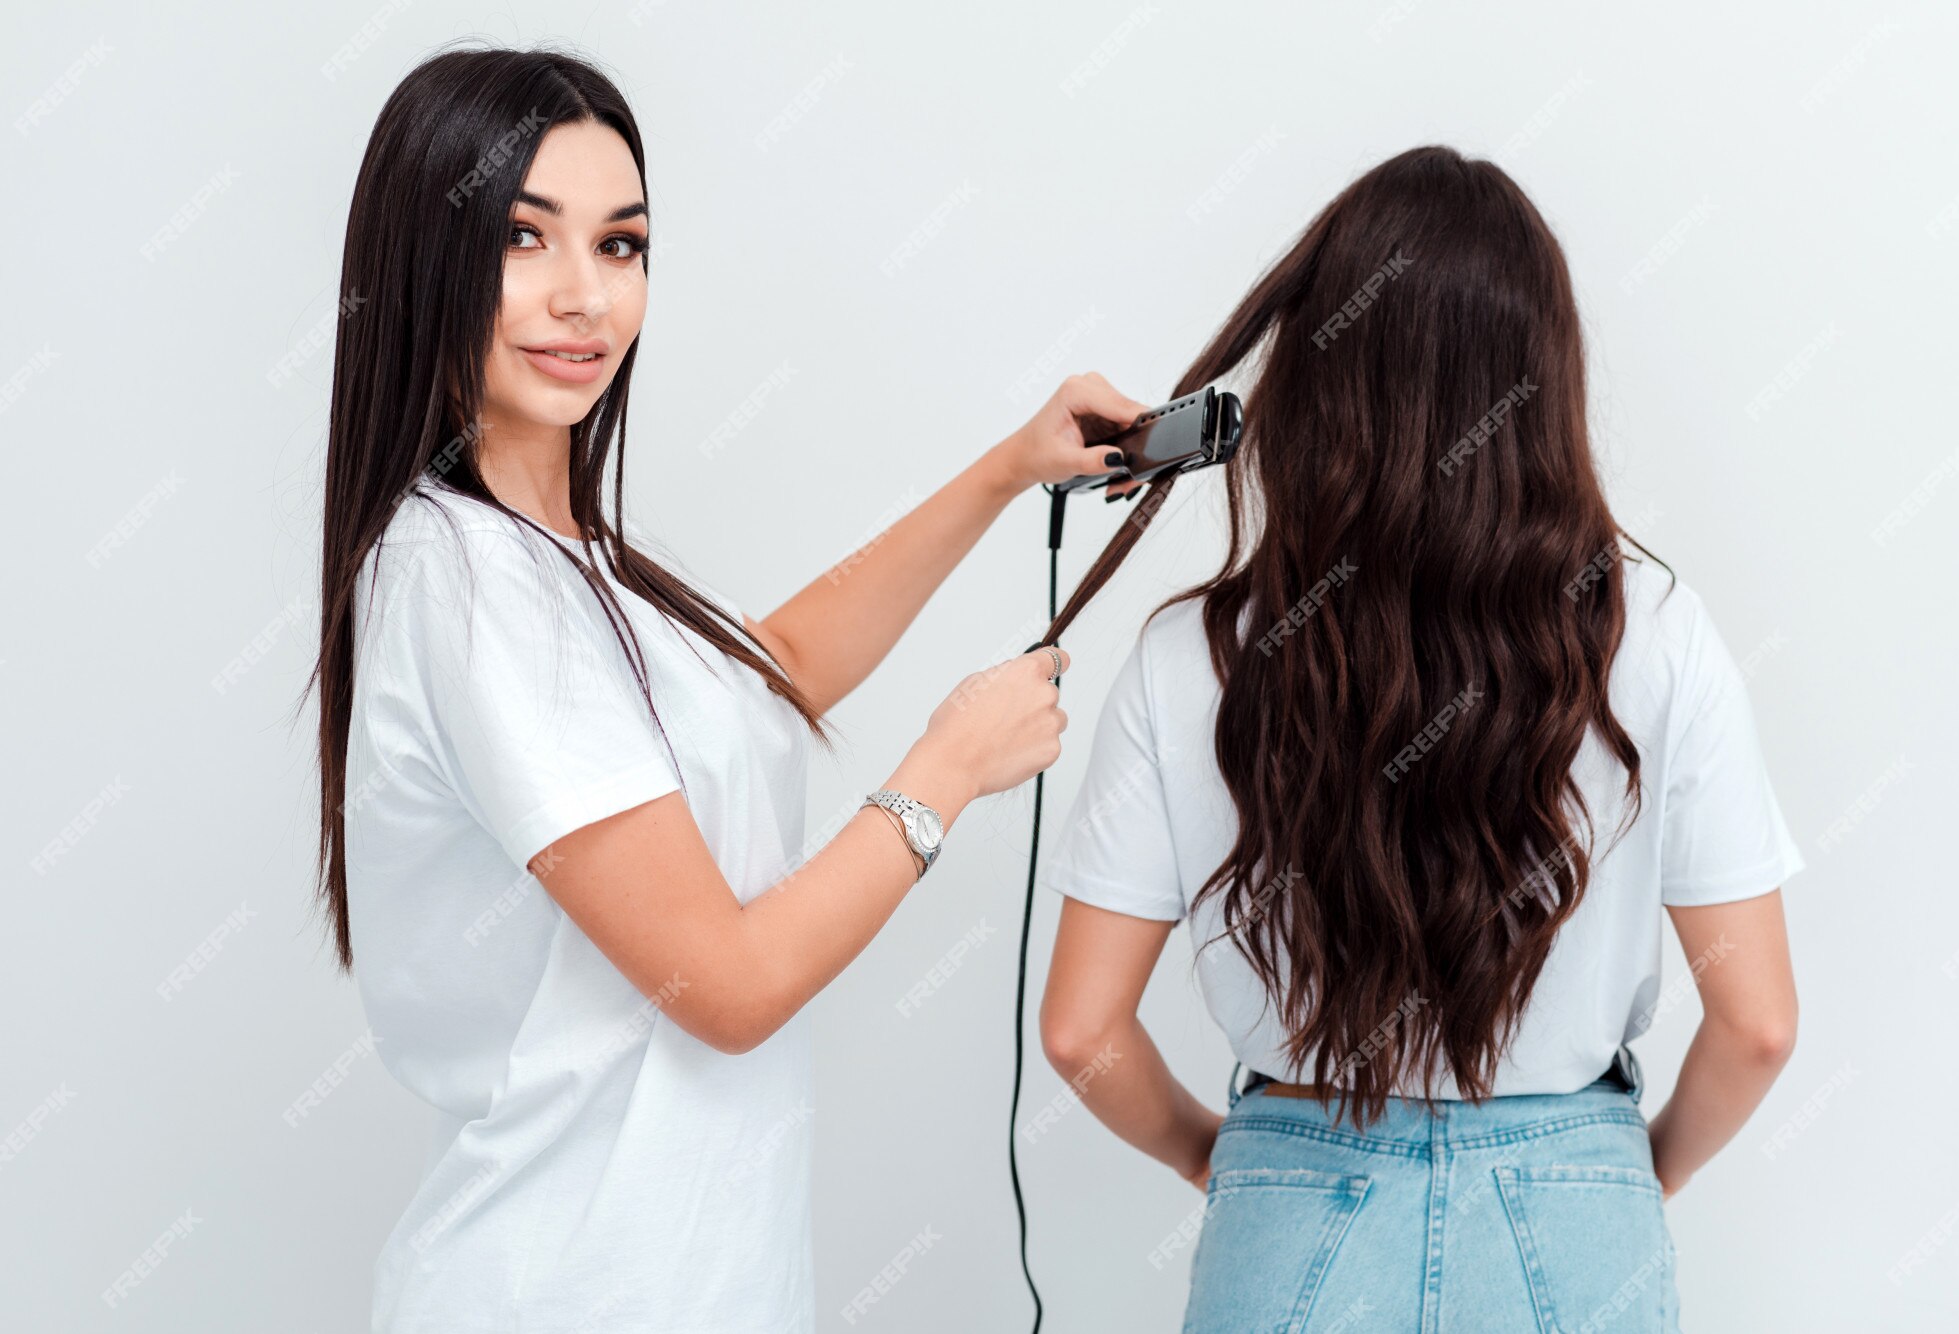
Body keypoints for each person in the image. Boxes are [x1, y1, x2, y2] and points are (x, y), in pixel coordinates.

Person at [305, 45, 1146, 1330]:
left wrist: (1004, 470)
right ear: (427, 254)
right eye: (526, 239)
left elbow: (777, 671)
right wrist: (945, 769)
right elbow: (728, 986)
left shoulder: (560, 556)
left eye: (621, 244)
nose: (583, 297)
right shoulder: (468, 581)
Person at [1037, 145, 1803, 1332]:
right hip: (1577, 1215)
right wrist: (1615, 1178)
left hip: (1289, 1209)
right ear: (1542, 383)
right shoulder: (1656, 633)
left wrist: (1225, 1157)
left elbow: (1080, 1029)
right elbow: (1756, 1023)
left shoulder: (1190, 654)